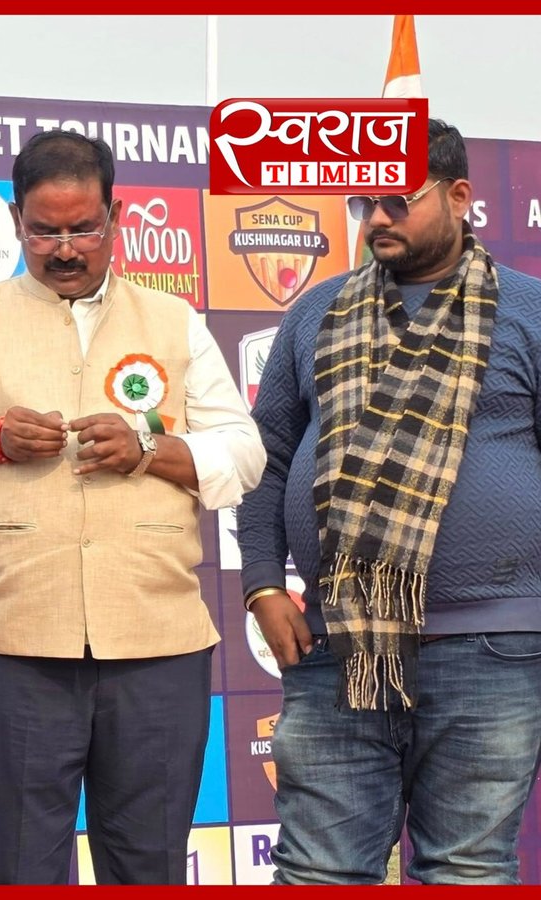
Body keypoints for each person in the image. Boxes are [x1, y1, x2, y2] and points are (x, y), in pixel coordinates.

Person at [0, 130, 265, 885]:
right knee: (20, 870)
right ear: (14, 221)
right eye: (44, 232)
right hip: (16, 645)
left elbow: (244, 451)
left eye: (83, 229)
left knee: (149, 869)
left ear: (116, 216)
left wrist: (150, 448)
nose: (65, 250)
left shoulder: (174, 321)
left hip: (157, 644)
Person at [236, 119, 541, 885]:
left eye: (398, 200)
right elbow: (265, 460)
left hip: (493, 647)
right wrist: (263, 584)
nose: (376, 217)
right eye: (362, 201)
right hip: (338, 644)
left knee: (468, 869)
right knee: (319, 871)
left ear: (459, 197)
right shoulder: (316, 312)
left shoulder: (529, 312)